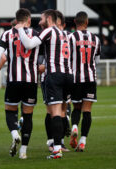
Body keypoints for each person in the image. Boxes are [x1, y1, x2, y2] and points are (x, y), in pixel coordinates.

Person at [15, 9, 73, 159]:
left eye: (41, 18)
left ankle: (56, 150)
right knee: (61, 112)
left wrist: (20, 28)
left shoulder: (49, 31)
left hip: (54, 75)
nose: (39, 21)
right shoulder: (65, 34)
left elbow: (28, 44)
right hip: (69, 75)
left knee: (54, 113)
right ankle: (59, 146)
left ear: (48, 18)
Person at [0, 8, 40, 159]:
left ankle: (14, 134)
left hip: (13, 79)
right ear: (29, 20)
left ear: (16, 20)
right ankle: (23, 151)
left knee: (10, 111)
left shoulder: (6, 34)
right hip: (31, 81)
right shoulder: (36, 34)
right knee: (28, 116)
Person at [69, 11, 101, 152]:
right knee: (87, 110)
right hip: (90, 78)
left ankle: (74, 126)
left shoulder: (70, 37)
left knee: (76, 107)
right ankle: (82, 141)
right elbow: (97, 61)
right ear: (87, 22)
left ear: (75, 21)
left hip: (75, 78)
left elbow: (66, 57)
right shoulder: (96, 39)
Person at [42, 10, 70, 153]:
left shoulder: (52, 33)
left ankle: (58, 144)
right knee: (55, 111)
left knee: (59, 111)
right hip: (62, 75)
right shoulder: (63, 35)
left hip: (55, 75)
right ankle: (53, 141)